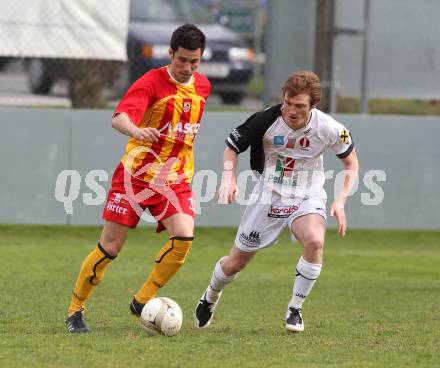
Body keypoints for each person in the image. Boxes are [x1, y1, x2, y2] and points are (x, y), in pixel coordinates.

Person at [66, 23, 211, 333]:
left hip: (175, 179)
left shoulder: (203, 87)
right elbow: (119, 117)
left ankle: (142, 300)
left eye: (194, 61)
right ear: (170, 53)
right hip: (136, 177)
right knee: (110, 247)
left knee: (184, 237)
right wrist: (137, 131)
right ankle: (75, 310)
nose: (187, 67)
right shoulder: (151, 82)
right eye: (181, 59)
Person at [194, 70, 359, 332]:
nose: (291, 110)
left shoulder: (329, 128)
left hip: (308, 194)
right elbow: (232, 147)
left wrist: (340, 200)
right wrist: (229, 178)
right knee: (235, 263)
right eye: (288, 103)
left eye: (300, 106)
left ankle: (295, 309)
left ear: (313, 105)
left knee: (315, 241)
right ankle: (210, 296)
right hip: (268, 194)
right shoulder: (266, 121)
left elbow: (351, 162)